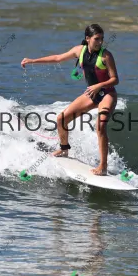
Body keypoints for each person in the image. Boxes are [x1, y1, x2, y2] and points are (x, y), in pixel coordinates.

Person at [20, 24, 119, 175]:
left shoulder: (106, 56)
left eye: (102, 39)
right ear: (88, 38)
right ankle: (64, 149)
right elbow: (57, 58)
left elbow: (115, 79)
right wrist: (32, 61)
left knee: (100, 126)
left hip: (107, 94)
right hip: (91, 94)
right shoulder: (79, 50)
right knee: (62, 119)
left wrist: (99, 85)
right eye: (97, 39)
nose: (100, 42)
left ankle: (103, 167)